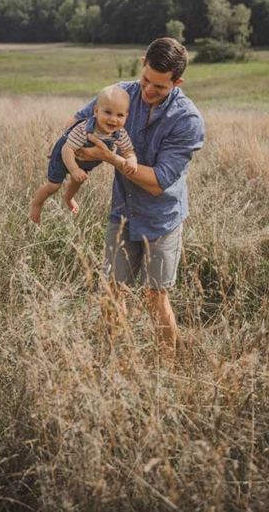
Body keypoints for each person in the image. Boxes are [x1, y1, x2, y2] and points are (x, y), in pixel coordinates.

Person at [67, 37, 205, 359]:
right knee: (112, 291)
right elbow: (76, 123)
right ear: (142, 62)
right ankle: (114, 358)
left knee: (155, 296)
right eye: (146, 79)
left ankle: (166, 367)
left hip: (161, 219)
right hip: (123, 211)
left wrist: (112, 159)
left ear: (177, 81)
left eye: (159, 86)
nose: (148, 90)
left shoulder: (187, 120)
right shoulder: (121, 94)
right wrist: (70, 152)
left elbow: (157, 183)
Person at [29, 85, 137, 224]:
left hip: (84, 161)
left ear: (126, 116)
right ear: (96, 111)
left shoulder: (119, 133)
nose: (113, 119)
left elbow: (128, 151)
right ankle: (36, 204)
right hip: (65, 155)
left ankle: (68, 198)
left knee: (78, 180)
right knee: (53, 186)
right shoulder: (84, 129)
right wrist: (74, 169)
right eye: (108, 112)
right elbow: (67, 149)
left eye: (120, 115)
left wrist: (132, 160)